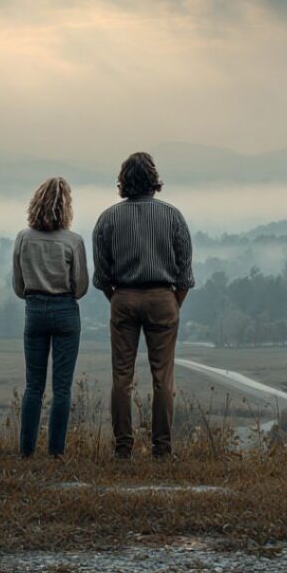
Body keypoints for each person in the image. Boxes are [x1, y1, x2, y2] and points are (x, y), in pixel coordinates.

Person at [92, 152, 194, 459]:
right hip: (163, 298)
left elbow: (102, 274)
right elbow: (185, 274)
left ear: (123, 181)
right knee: (163, 378)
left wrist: (119, 299)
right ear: (153, 180)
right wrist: (173, 305)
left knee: (121, 377)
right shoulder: (173, 216)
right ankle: (162, 450)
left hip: (123, 297)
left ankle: (123, 448)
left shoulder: (108, 218)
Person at [12, 177, 89, 457]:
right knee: (62, 387)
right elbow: (80, 286)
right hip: (66, 311)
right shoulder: (73, 241)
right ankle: (56, 452)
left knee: (33, 385)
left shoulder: (24, 238)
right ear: (66, 206)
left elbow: (18, 285)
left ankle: (26, 450)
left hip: (34, 309)